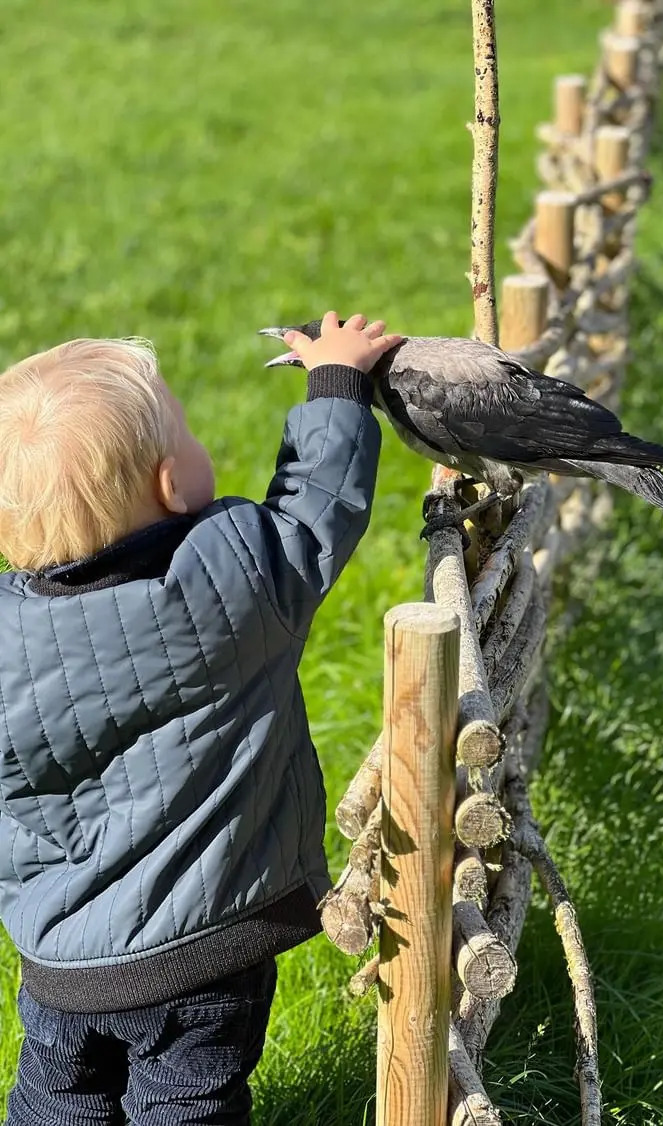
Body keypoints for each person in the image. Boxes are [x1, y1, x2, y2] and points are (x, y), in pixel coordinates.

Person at [0, 311, 402, 1125]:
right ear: (170, 484)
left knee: (55, 1102)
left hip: (59, 964)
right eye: (182, 430)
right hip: (203, 956)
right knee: (187, 1103)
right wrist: (335, 383)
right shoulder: (238, 578)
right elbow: (318, 504)